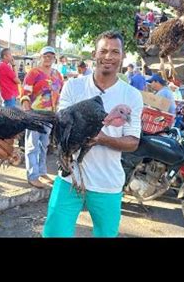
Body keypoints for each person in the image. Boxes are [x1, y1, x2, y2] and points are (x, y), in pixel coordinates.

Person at [42, 31, 143, 237]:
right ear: (94, 54)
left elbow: (133, 142)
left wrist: (102, 139)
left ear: (123, 56)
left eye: (115, 51)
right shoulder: (74, 86)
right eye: (103, 51)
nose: (108, 56)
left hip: (107, 182)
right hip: (69, 177)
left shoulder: (131, 95)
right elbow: (62, 127)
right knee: (54, 232)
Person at [20, 46, 64, 188]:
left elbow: (61, 93)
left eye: (51, 56)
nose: (48, 58)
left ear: (54, 58)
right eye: (45, 56)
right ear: (41, 57)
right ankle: (32, 176)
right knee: (32, 145)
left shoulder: (57, 75)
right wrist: (28, 113)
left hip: (50, 115)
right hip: (35, 113)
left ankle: (42, 171)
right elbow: (25, 93)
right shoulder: (34, 73)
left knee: (44, 145)